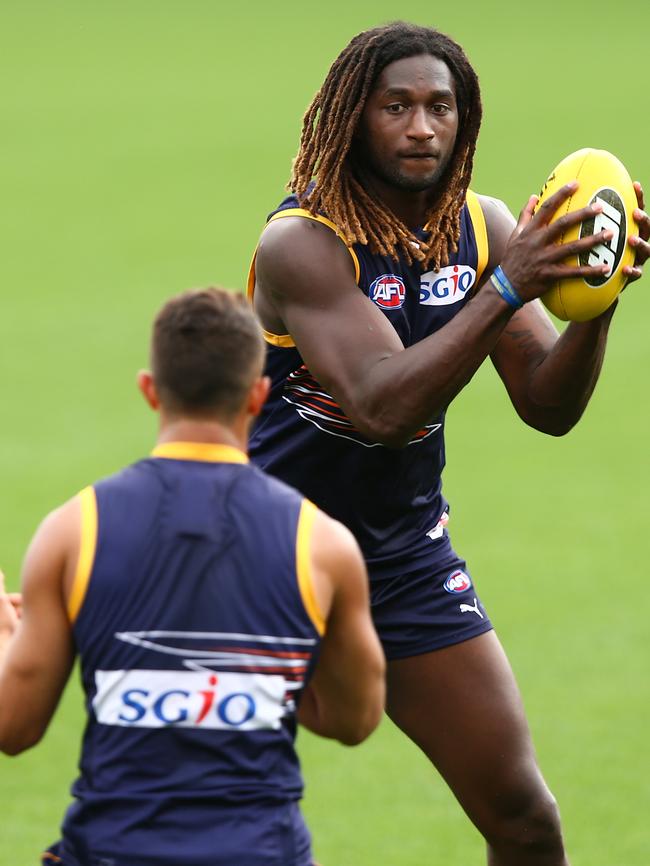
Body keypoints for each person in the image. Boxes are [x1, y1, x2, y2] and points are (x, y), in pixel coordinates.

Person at [247, 21, 650, 866]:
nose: (422, 127)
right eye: (396, 106)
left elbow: (548, 405)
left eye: (441, 107)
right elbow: (382, 407)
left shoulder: (485, 225)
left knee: (525, 818)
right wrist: (507, 286)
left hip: (400, 559)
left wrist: (594, 296)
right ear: (355, 118)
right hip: (263, 559)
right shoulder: (303, 244)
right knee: (219, 823)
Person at [0, 288, 385, 866]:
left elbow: (14, 728)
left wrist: (7, 638)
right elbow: (355, 720)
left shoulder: (73, 532)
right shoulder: (323, 546)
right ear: (258, 396)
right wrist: (256, 678)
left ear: (150, 391)